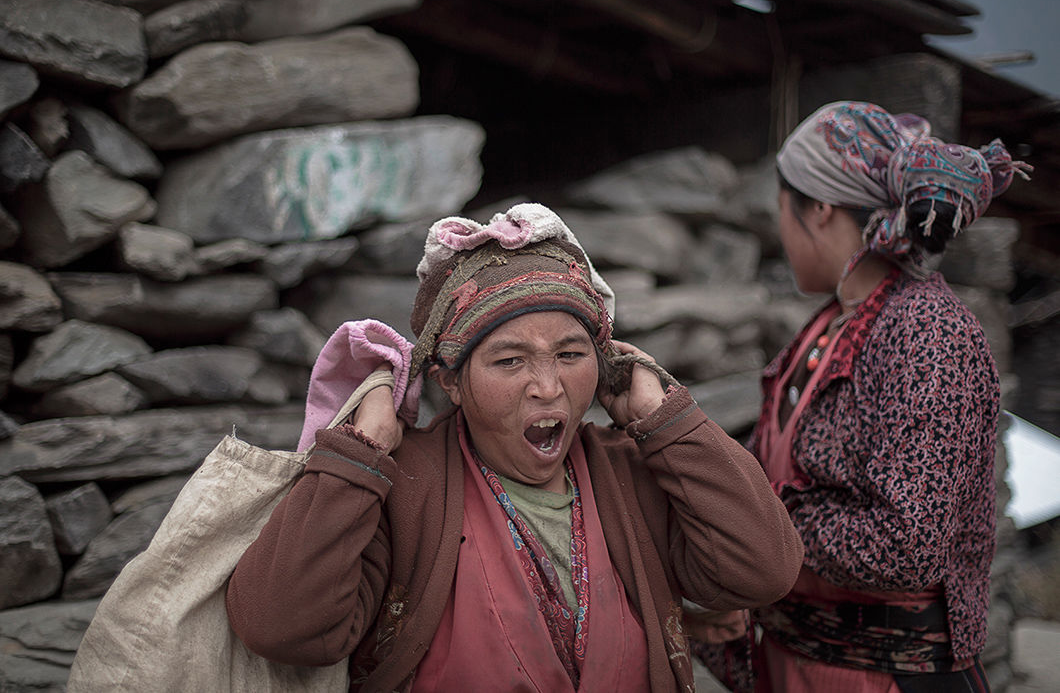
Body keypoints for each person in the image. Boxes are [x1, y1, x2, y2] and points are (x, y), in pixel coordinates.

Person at [225, 203, 804, 692]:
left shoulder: (633, 473)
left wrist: (665, 420)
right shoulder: (403, 490)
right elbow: (282, 628)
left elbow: (763, 570)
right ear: (450, 379)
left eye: (572, 355)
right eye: (510, 361)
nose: (548, 387)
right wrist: (360, 451)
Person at [694, 101, 1030, 693]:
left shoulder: (926, 334)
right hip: (800, 664)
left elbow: (907, 544)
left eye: (781, 209)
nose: (781, 229)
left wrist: (759, 523)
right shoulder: (833, 323)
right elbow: (772, 458)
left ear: (818, 209)